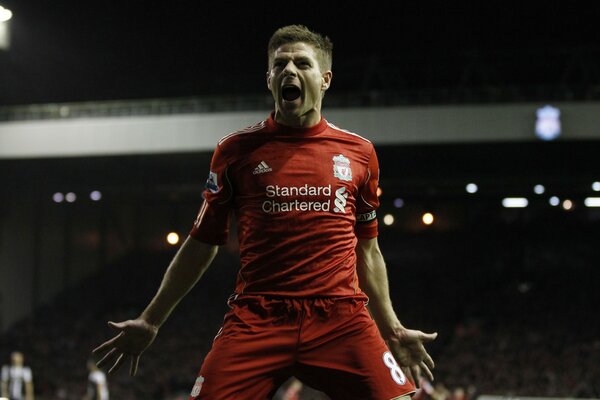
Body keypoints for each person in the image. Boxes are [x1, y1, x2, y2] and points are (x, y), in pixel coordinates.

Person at [93, 24, 437, 400]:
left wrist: (393, 329)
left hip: (340, 317)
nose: (289, 71)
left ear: (324, 80)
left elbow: (367, 250)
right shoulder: (235, 151)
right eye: (280, 65)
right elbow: (202, 241)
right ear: (270, 78)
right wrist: (150, 319)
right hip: (258, 316)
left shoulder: (359, 153)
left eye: (302, 64)